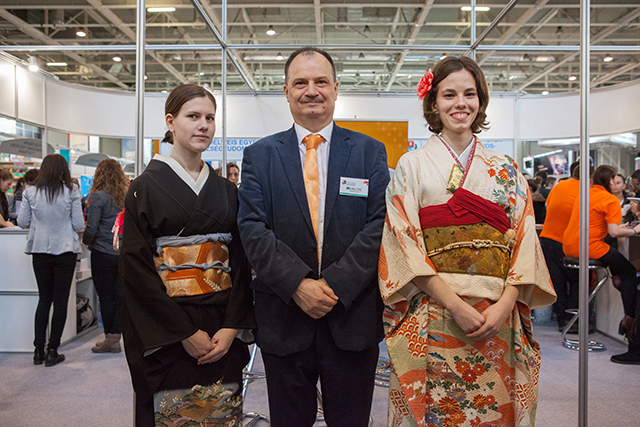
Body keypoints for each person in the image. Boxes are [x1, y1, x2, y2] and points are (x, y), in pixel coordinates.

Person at [379, 56, 556, 426]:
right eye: (449, 95)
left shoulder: (506, 168)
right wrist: (455, 305)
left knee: (493, 411)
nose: (460, 103)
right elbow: (403, 243)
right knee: (432, 412)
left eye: (469, 94)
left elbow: (525, 241)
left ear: (481, 100)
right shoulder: (412, 165)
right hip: (434, 312)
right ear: (433, 103)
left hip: (496, 314)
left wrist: (505, 305)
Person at [237, 47, 389, 427]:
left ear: (335, 89)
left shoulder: (370, 152)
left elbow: (380, 224)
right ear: (286, 92)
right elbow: (252, 228)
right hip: (284, 316)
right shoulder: (259, 156)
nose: (311, 91)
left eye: (321, 81)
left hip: (351, 316)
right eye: (300, 82)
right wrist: (298, 284)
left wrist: (335, 284)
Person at [119, 83, 254, 427]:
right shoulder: (144, 187)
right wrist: (183, 333)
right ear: (171, 122)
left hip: (220, 326)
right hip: (168, 329)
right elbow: (136, 269)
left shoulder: (226, 190)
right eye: (193, 116)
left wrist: (232, 326)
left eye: (210, 118)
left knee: (218, 415)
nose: (203, 125)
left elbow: (240, 263)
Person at [563, 165, 640, 365]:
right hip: (590, 248)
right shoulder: (610, 199)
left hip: (570, 245)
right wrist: (634, 230)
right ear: (611, 181)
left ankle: (617, 279)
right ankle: (629, 319)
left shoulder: (586, 194)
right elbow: (614, 233)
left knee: (620, 267)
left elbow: (599, 225)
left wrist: (621, 228)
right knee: (630, 272)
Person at [18, 154, 85, 367]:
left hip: (39, 251)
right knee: (61, 301)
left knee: (44, 299)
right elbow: (79, 224)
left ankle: (38, 350)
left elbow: (22, 222)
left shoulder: (30, 192)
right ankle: (52, 350)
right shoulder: (71, 191)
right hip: (65, 251)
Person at [82, 159, 127, 354]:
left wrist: (87, 242)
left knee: (106, 298)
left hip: (103, 252)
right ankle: (116, 337)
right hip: (122, 253)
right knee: (120, 297)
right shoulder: (125, 196)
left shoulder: (98, 197)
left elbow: (91, 227)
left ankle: (110, 339)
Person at [539, 163, 583, 331]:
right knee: (577, 281)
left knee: (557, 282)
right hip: (566, 242)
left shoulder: (559, 186)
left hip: (547, 239)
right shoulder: (586, 191)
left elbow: (548, 207)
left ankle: (562, 321)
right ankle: (572, 321)